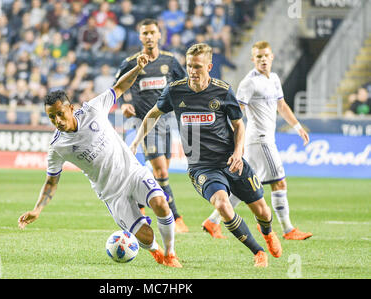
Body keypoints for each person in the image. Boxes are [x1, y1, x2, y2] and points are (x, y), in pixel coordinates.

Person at [18, 54, 182, 268]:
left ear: (70, 108)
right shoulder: (57, 147)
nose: (57, 121)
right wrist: (37, 209)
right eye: (51, 117)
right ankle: (156, 251)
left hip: (133, 173)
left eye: (59, 114)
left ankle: (170, 254)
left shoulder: (93, 109)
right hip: (112, 194)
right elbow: (51, 182)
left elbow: (120, 87)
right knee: (146, 236)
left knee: (161, 203)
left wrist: (137, 68)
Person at [130, 43, 282, 267]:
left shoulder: (222, 90)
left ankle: (268, 233)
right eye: (189, 66)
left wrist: (239, 153)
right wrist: (135, 142)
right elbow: (153, 114)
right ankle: (258, 252)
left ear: (209, 66)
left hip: (232, 161)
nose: (192, 71)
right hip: (202, 167)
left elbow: (239, 125)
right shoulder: (175, 90)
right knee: (222, 204)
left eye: (198, 67)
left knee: (263, 211)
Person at [202, 41, 313, 241]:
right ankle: (288, 230)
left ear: (272, 57)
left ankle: (213, 221)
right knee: (279, 183)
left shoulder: (275, 79)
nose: (262, 60)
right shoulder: (249, 83)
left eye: (265, 56)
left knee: (245, 185)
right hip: (260, 141)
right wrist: (227, 137)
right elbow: (236, 111)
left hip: (263, 140)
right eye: (258, 57)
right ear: (253, 59)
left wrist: (298, 127)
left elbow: (281, 105)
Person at [115, 18, 189, 233]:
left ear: (159, 35)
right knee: (161, 170)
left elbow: (183, 85)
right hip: (144, 123)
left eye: (152, 32)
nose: (148, 36)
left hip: (166, 123)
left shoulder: (170, 61)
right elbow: (118, 88)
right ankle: (175, 217)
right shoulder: (131, 62)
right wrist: (124, 105)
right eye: (144, 33)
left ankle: (138, 205)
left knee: (159, 171)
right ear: (140, 37)